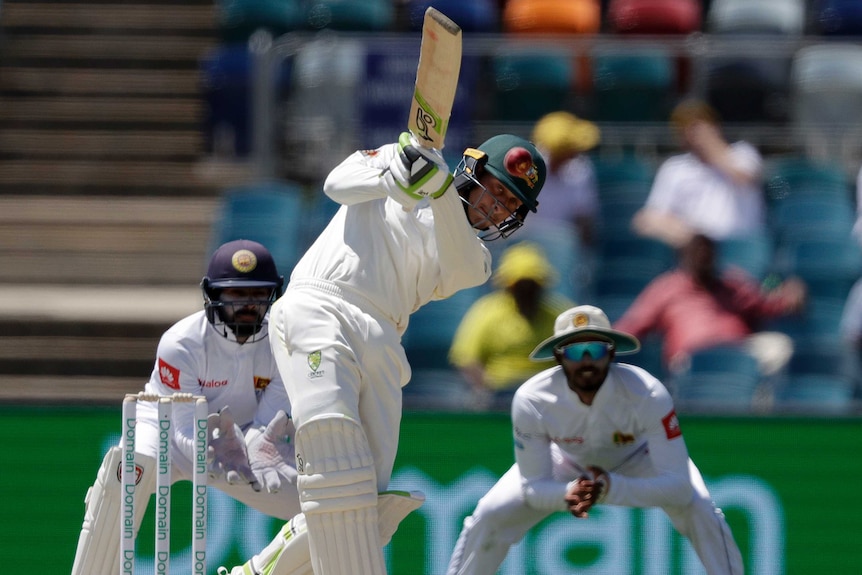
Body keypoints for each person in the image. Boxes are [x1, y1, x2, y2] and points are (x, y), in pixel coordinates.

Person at [219, 131, 547, 575]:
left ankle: (255, 572)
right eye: (497, 192)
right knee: (331, 448)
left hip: (383, 338)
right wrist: (395, 176)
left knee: (369, 511)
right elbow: (336, 185)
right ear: (473, 171)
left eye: (510, 206)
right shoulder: (404, 159)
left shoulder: (476, 257)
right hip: (322, 304)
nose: (497, 208)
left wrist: (437, 189)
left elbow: (458, 260)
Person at [446, 304, 744, 575]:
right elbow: (533, 489)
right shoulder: (532, 399)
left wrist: (609, 489)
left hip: (639, 456)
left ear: (612, 353)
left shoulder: (648, 392)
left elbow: (678, 488)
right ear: (559, 356)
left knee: (701, 508)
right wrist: (569, 493)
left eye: (596, 351)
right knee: (490, 514)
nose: (586, 361)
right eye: (575, 352)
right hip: (566, 459)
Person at [72, 239, 301, 575]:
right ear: (213, 295)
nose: (247, 305)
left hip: (241, 448)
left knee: (321, 502)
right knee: (127, 473)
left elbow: (266, 425)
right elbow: (180, 431)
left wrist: (252, 450)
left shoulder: (283, 344)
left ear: (273, 295)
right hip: (166, 431)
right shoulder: (182, 344)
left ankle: (255, 571)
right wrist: (212, 451)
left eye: (257, 293)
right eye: (236, 295)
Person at [614, 233, 807, 381]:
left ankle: (758, 411)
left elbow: (766, 304)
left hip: (737, 352)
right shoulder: (666, 287)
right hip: (690, 359)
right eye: (697, 250)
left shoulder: (731, 284)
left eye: (707, 251)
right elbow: (634, 324)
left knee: (779, 346)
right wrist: (603, 340)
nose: (703, 256)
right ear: (685, 256)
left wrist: (790, 296)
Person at [449, 241, 573, 409]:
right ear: (508, 287)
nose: (526, 291)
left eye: (532, 285)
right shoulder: (486, 311)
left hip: (550, 395)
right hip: (499, 396)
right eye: (520, 286)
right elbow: (467, 358)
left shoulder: (559, 315)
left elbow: (575, 354)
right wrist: (486, 388)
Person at [632, 98, 766, 249]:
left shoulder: (743, 153)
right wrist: (684, 233)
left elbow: (744, 177)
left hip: (741, 246)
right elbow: (647, 219)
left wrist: (710, 145)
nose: (693, 133)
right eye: (685, 127)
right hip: (695, 249)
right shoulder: (674, 168)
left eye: (698, 125)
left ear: (715, 126)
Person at [529, 111, 601, 248]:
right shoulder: (526, 167)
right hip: (525, 245)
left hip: (565, 249)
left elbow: (584, 221)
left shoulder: (581, 170)